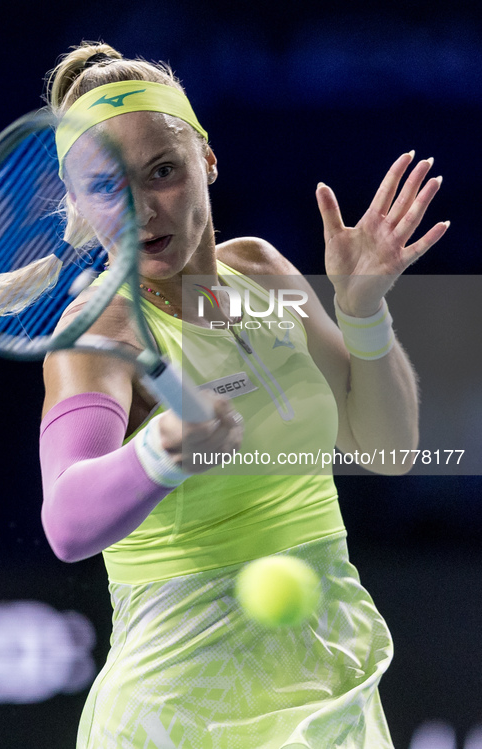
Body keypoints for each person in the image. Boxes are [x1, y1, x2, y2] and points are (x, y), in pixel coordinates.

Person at [38, 42, 448, 749]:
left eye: (161, 171)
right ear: (78, 203)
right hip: (178, 713)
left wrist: (362, 313)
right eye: (106, 186)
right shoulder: (97, 336)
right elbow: (67, 524)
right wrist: (163, 451)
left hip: (326, 685)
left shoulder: (261, 270)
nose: (140, 207)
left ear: (207, 160)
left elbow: (386, 449)